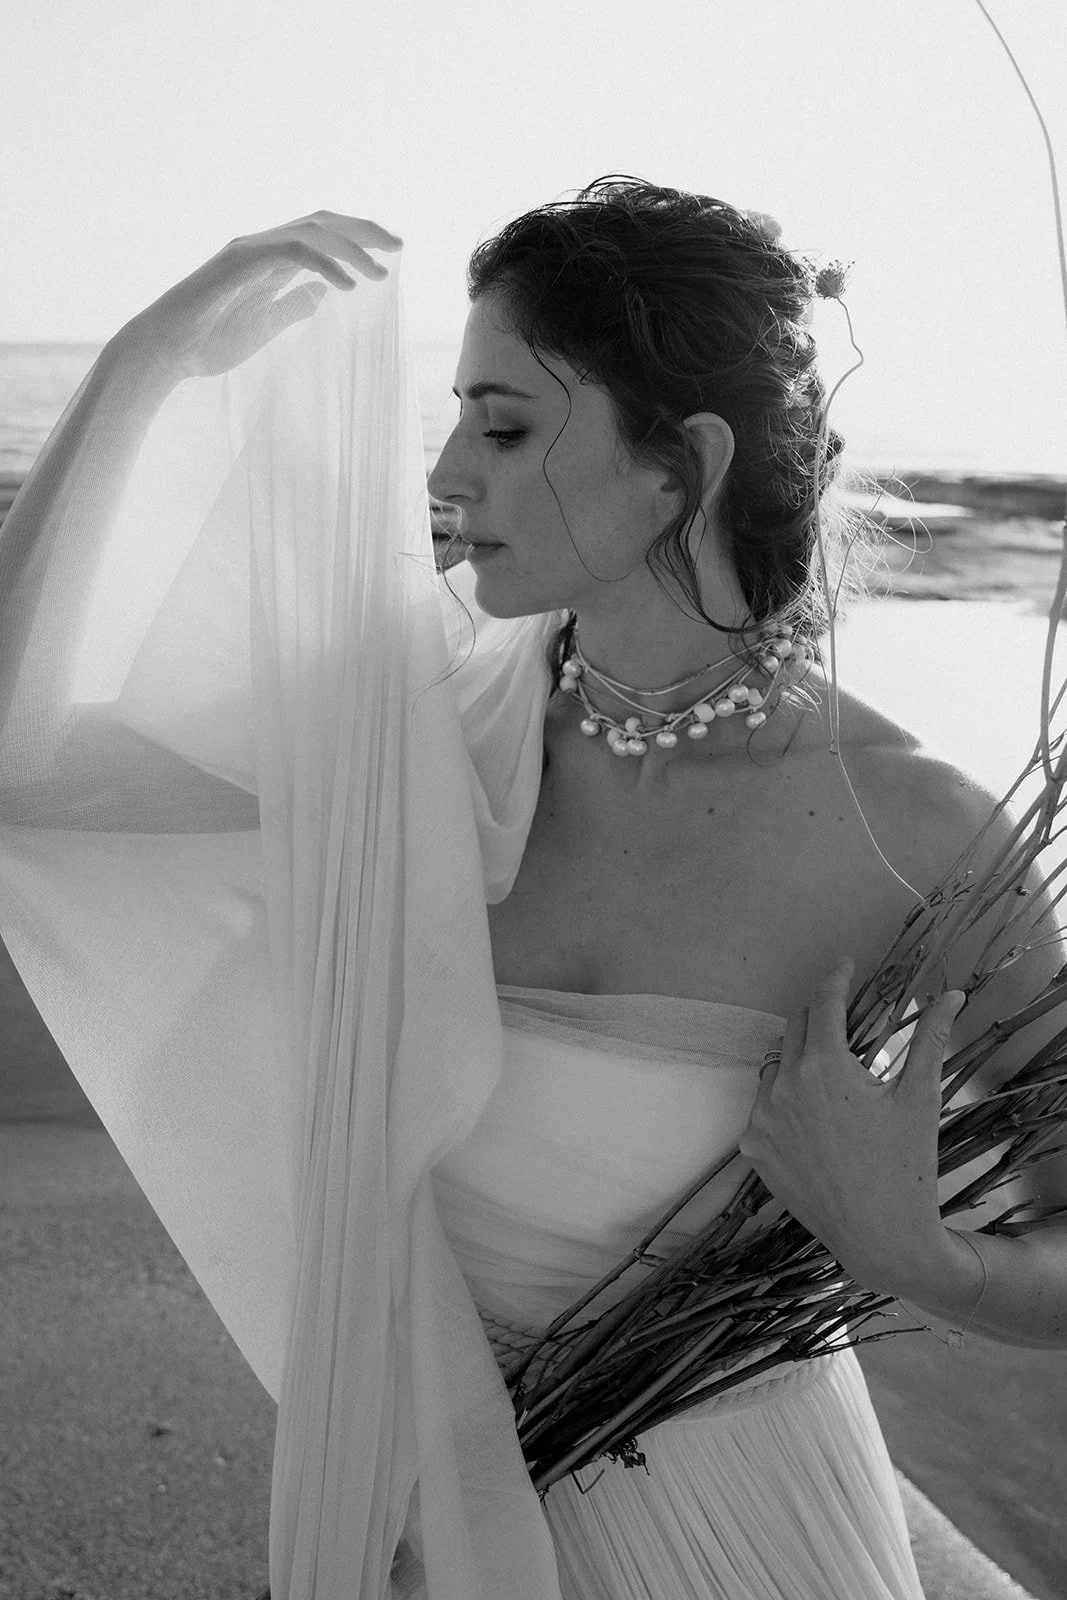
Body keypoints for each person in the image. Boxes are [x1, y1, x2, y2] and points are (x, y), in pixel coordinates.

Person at [0, 180, 1063, 1600]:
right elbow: (21, 769)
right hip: (407, 1513)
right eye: (450, 417)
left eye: (501, 426)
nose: (446, 470)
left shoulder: (912, 831)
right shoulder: (397, 732)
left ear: (679, 463)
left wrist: (916, 1255)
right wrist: (138, 381)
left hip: (739, 1540)